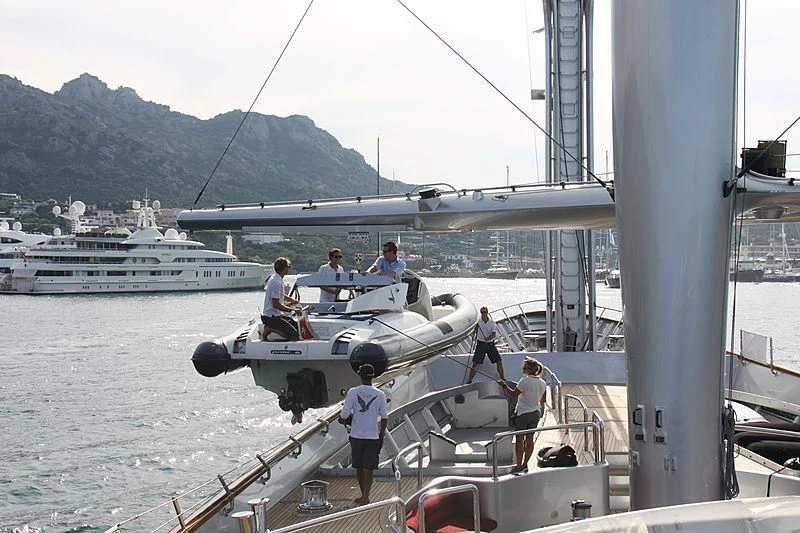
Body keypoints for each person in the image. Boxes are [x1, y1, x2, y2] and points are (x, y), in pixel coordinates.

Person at [339, 363, 388, 506]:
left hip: (356, 436)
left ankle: (364, 496)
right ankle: (365, 495)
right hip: (372, 437)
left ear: (360, 376)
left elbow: (344, 414)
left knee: (359, 467)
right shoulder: (380, 394)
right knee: (368, 468)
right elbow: (384, 417)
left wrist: (342, 418)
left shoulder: (353, 392)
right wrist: (381, 435)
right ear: (373, 377)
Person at [498, 357, 548, 473]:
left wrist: (504, 385)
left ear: (530, 370)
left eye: (524, 367)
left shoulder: (524, 381)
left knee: (519, 439)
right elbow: (543, 400)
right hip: (535, 413)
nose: (523, 369)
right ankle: (525, 464)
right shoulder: (542, 382)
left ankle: (519, 465)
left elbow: (513, 394)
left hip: (522, 414)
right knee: (530, 439)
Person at [261, 256, 300, 341]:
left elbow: (280, 295)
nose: (289, 269)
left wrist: (292, 300)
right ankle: (269, 329)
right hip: (271, 317)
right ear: (285, 268)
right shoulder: (276, 282)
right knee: (294, 335)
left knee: (297, 327)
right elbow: (276, 304)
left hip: (276, 314)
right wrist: (292, 310)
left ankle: (270, 328)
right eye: (288, 267)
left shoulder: (276, 278)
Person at [467, 306, 505, 383]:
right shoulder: (478, 322)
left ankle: (502, 378)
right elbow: (472, 332)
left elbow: (494, 334)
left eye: (485, 312)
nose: (484, 314)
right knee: (475, 363)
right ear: (481, 313)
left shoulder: (492, 322)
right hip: (481, 344)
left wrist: (488, 338)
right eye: (482, 312)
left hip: (490, 344)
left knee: (499, 361)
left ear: (487, 312)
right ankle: (469, 380)